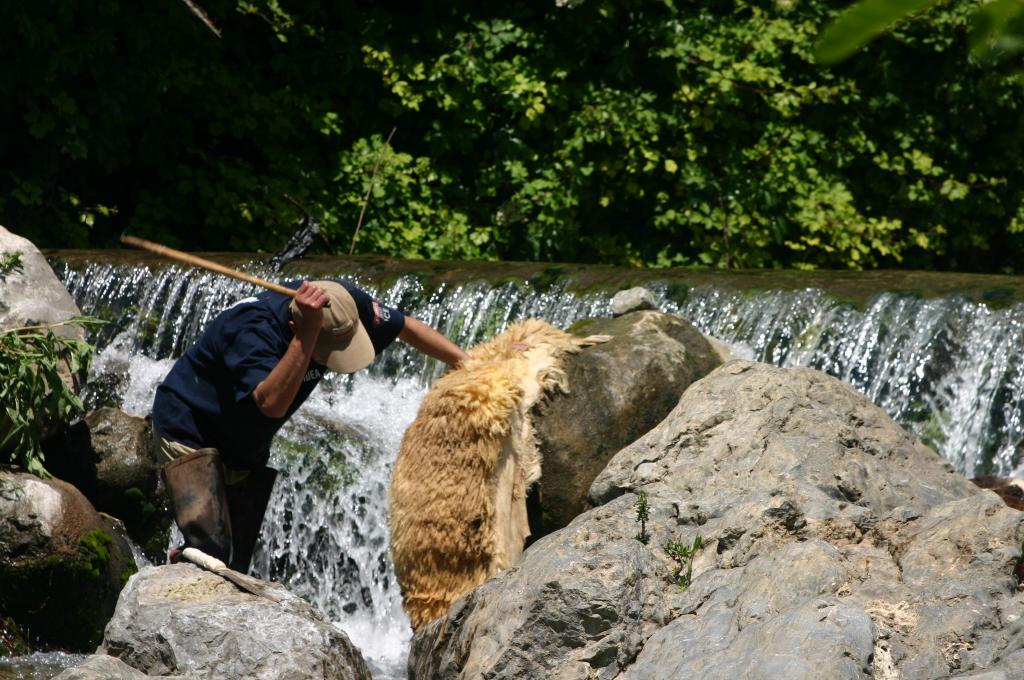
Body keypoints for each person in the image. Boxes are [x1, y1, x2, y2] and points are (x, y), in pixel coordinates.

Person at [151, 279, 468, 572]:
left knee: (235, 566)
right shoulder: (252, 329)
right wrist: (307, 336)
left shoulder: (340, 303)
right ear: (294, 327)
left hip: (245, 446)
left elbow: (406, 326)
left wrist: (468, 362)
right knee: (211, 553)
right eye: (328, 352)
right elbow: (271, 404)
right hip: (190, 429)